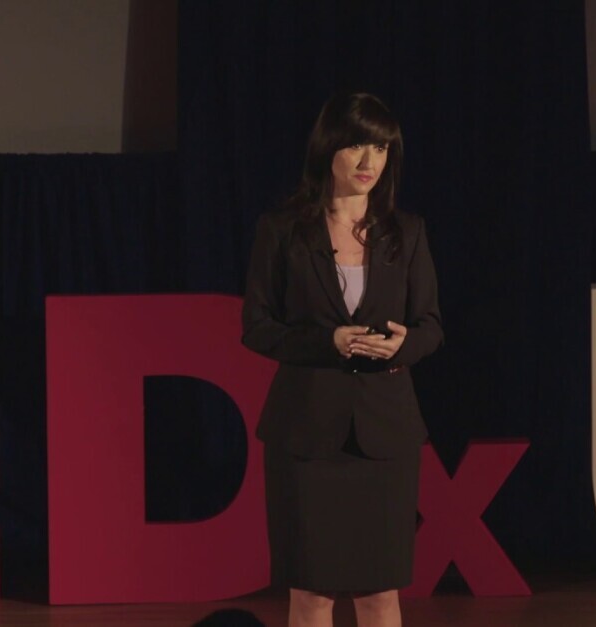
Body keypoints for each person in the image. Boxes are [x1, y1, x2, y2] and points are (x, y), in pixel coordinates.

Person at [242, 92, 443, 627]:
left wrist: (403, 346)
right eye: (356, 145)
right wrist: (326, 342)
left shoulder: (407, 233)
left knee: (380, 594)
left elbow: (431, 326)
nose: (368, 161)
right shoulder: (282, 231)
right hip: (306, 436)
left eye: (381, 148)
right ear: (328, 147)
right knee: (312, 595)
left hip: (385, 436)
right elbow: (257, 327)